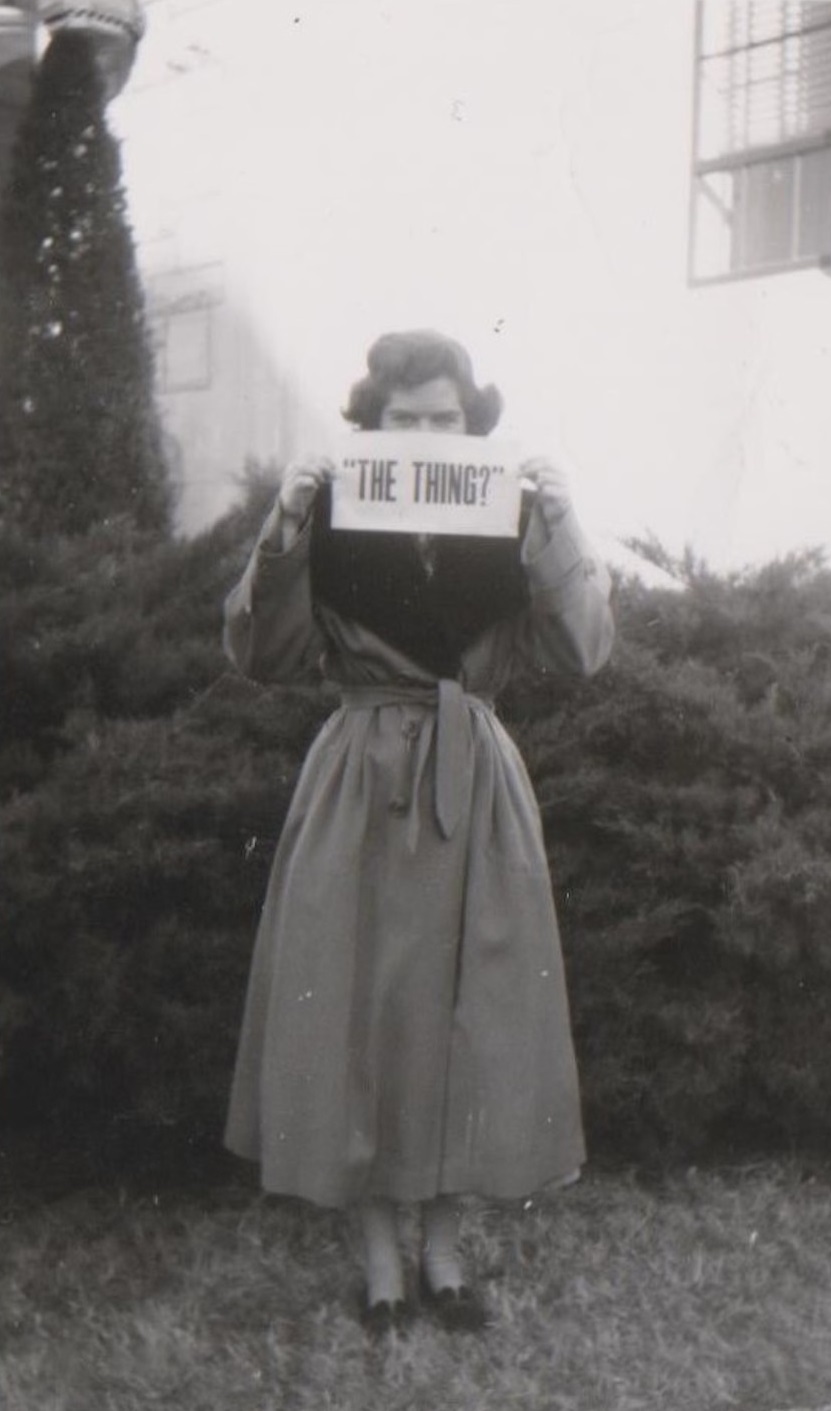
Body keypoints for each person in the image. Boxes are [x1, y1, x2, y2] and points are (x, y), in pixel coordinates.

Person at [223, 329, 614, 1334]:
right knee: (358, 1006)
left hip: (471, 787)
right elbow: (259, 651)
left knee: (463, 1013)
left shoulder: (513, 519)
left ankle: (442, 1250)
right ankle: (380, 1258)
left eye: (446, 419)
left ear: (471, 426)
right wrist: (288, 520)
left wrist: (563, 525)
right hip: (360, 782)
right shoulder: (333, 518)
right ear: (373, 428)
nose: (427, 435)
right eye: (406, 420)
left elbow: (580, 652)